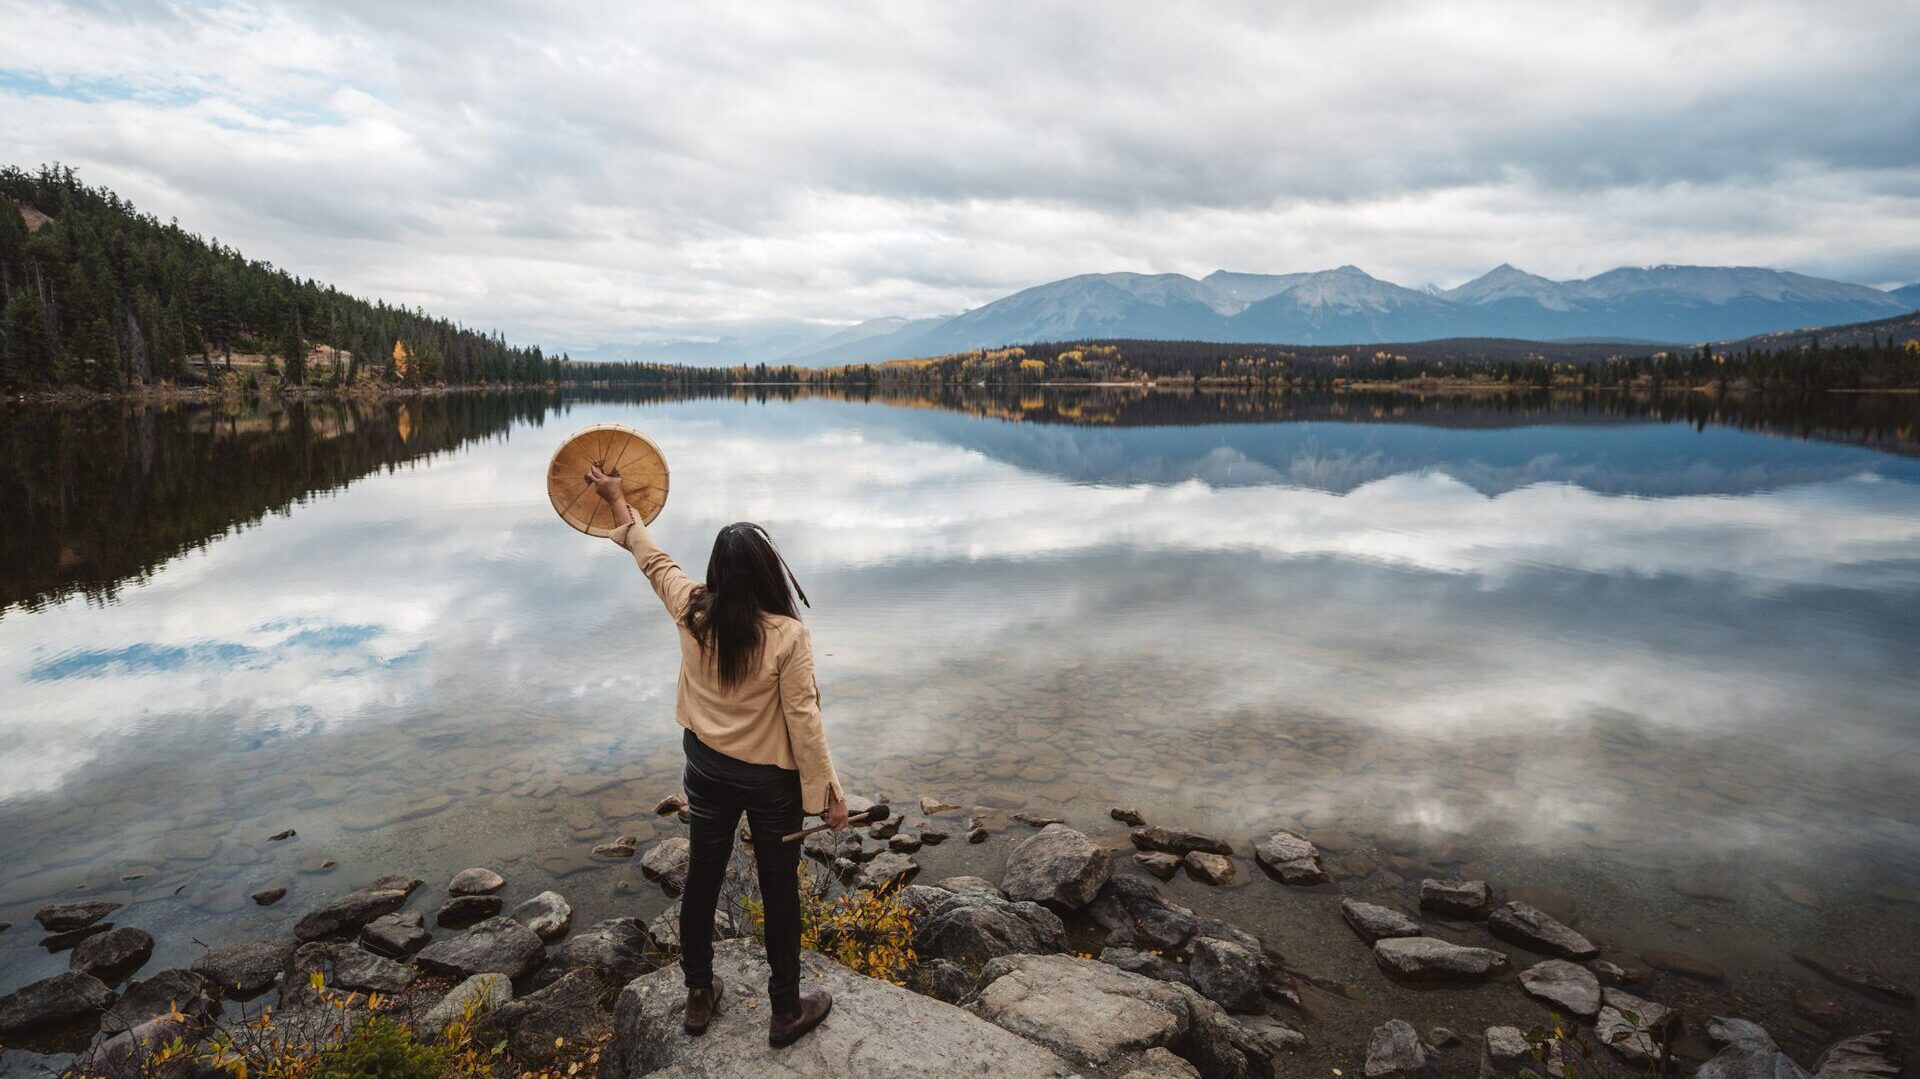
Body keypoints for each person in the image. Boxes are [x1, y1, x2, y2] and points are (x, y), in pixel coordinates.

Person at [587, 464, 848, 1047]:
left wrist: (617, 501)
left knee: (703, 877)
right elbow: (804, 720)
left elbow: (652, 559)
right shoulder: (786, 635)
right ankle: (785, 1012)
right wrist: (828, 797)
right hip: (768, 783)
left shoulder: (691, 607)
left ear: (717, 572)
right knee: (779, 890)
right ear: (766, 574)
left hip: (705, 769)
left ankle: (699, 996)